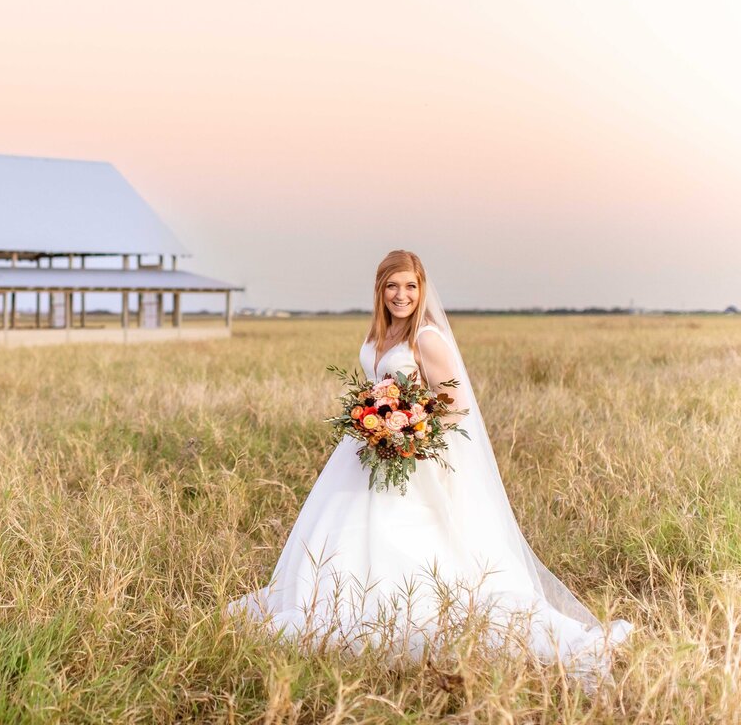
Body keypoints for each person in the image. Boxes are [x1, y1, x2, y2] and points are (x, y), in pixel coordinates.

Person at [228, 249, 634, 689]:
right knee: (341, 527)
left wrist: (411, 434)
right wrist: (375, 422)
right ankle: (328, 600)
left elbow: (456, 408)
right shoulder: (380, 334)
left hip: (409, 454)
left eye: (410, 286)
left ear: (421, 290)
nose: (401, 295)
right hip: (368, 448)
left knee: (404, 533)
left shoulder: (426, 338)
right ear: (380, 290)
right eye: (392, 286)